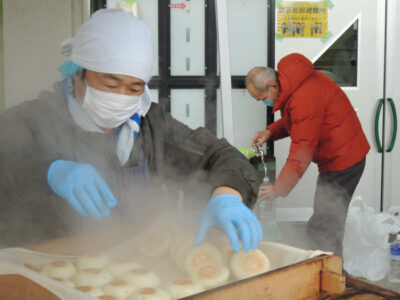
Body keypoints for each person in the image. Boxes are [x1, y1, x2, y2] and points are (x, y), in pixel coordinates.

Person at [0, 8, 262, 253]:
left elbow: (220, 155)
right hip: (51, 269)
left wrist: (227, 195)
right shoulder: (33, 120)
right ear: (78, 73)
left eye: (134, 88)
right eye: (110, 84)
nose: (121, 97)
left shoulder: (153, 125)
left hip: (140, 264)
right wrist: (48, 172)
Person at [246, 53, 370, 257]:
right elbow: (296, 121)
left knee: (326, 225)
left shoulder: (303, 97)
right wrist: (271, 131)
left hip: (344, 160)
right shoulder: (293, 84)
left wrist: (278, 188)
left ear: (272, 86)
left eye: (262, 99)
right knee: (324, 221)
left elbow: (301, 153)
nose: (264, 103)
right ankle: (322, 266)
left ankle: (332, 276)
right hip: (338, 156)